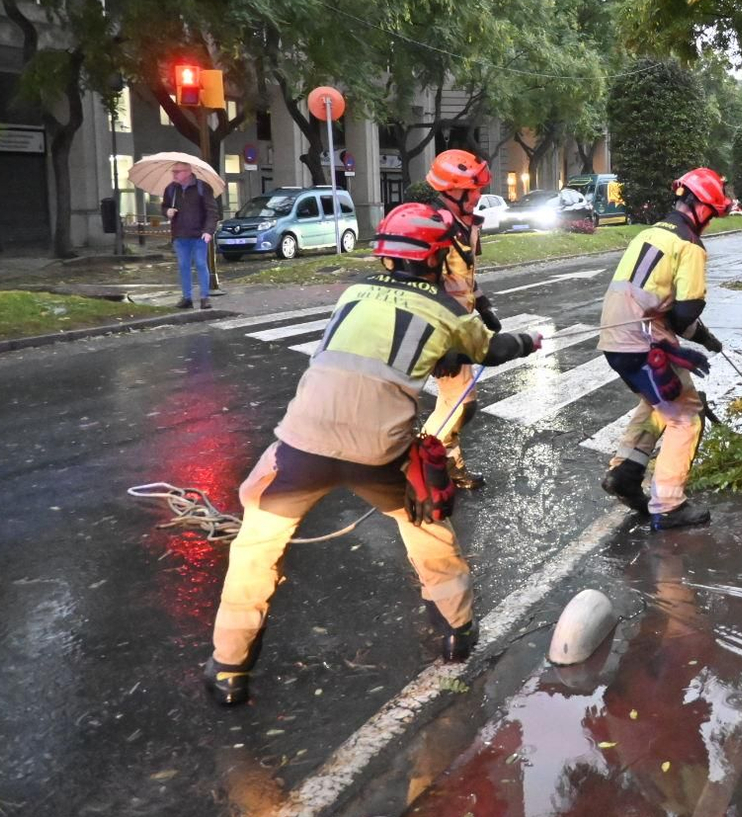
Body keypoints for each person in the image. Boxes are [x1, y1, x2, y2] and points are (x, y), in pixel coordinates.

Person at [202, 203, 543, 706]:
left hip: (301, 445)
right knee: (426, 524)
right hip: (379, 452)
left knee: (255, 548)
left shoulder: (355, 292)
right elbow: (491, 350)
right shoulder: (449, 310)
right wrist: (528, 341)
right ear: (437, 257)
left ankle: (229, 668)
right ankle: (457, 629)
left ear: (385, 254)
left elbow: (372, 344)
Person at [596, 168, 730, 531]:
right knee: (686, 415)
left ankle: (625, 473)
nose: (710, 223)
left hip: (615, 339)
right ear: (701, 207)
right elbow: (684, 313)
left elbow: (665, 309)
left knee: (658, 404)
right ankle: (669, 505)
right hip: (644, 344)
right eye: (712, 214)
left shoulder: (650, 233)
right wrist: (700, 338)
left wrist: (705, 338)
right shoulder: (689, 245)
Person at [419, 149, 499, 490]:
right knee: (462, 405)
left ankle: (448, 465)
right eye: (473, 189)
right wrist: (441, 347)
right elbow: (423, 291)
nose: (479, 195)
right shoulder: (433, 228)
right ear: (451, 189)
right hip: (440, 331)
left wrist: (484, 307)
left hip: (460, 327)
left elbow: (464, 277)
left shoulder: (467, 225)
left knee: (455, 402)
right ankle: (424, 461)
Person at [161, 163, 219, 309]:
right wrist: (167, 211)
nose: (174, 174)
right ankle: (187, 298)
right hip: (180, 234)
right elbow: (164, 206)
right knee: (183, 266)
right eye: (173, 171)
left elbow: (212, 211)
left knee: (200, 264)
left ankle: (204, 297)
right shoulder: (171, 189)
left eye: (178, 171)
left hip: (199, 234)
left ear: (188, 172)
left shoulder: (202, 187)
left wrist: (208, 231)